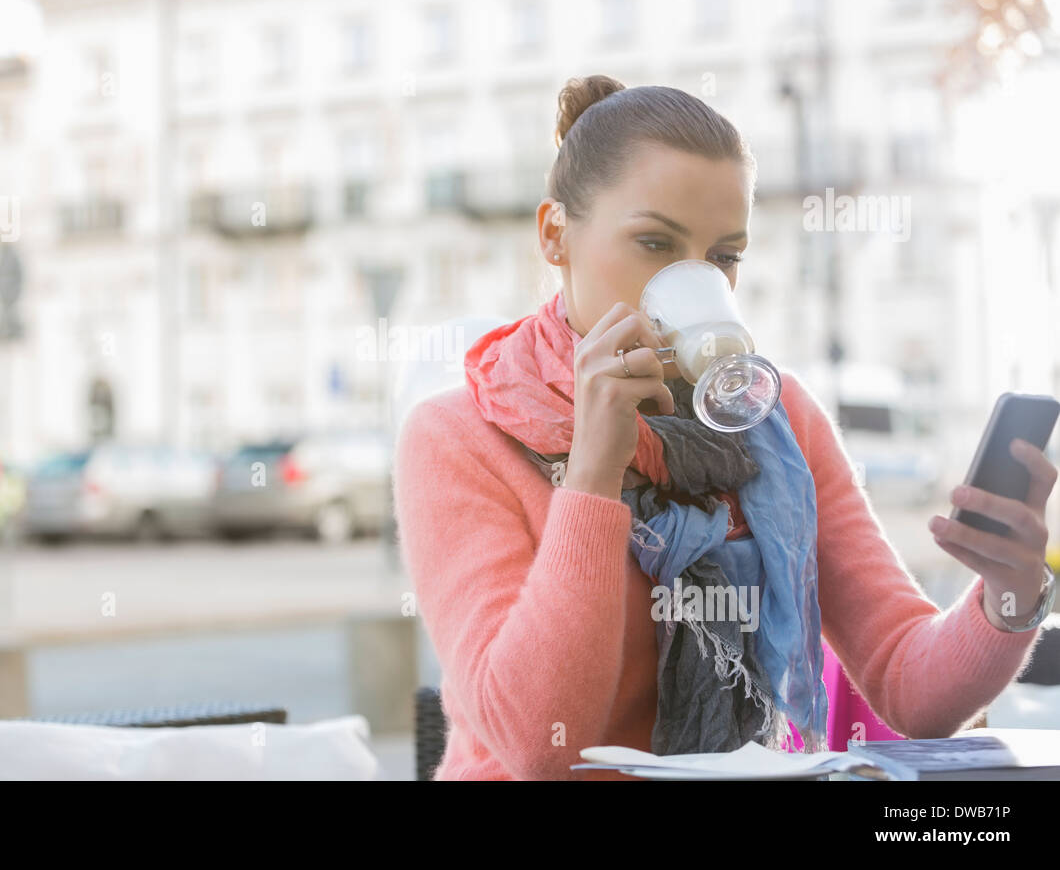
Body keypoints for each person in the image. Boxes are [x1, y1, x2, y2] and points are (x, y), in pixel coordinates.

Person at [392, 76, 1058, 780]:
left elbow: (905, 684)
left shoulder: (777, 418)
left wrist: (1007, 598)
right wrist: (592, 473)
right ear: (555, 235)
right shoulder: (457, 435)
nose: (697, 280)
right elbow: (543, 748)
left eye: (724, 256)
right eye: (655, 243)